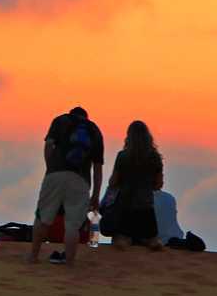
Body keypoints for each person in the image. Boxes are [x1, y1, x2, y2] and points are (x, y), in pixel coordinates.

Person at [30, 105, 103, 266]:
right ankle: (69, 262)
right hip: (81, 179)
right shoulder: (94, 131)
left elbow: (49, 145)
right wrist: (96, 194)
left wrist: (50, 167)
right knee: (73, 225)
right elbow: (97, 168)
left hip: (55, 174)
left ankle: (33, 257)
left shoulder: (60, 120)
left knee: (43, 218)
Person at [104, 120, 165, 250]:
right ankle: (152, 243)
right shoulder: (155, 157)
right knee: (151, 238)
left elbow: (113, 182)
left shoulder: (122, 156)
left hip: (125, 205)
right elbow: (159, 184)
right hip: (146, 207)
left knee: (121, 238)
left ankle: (124, 242)